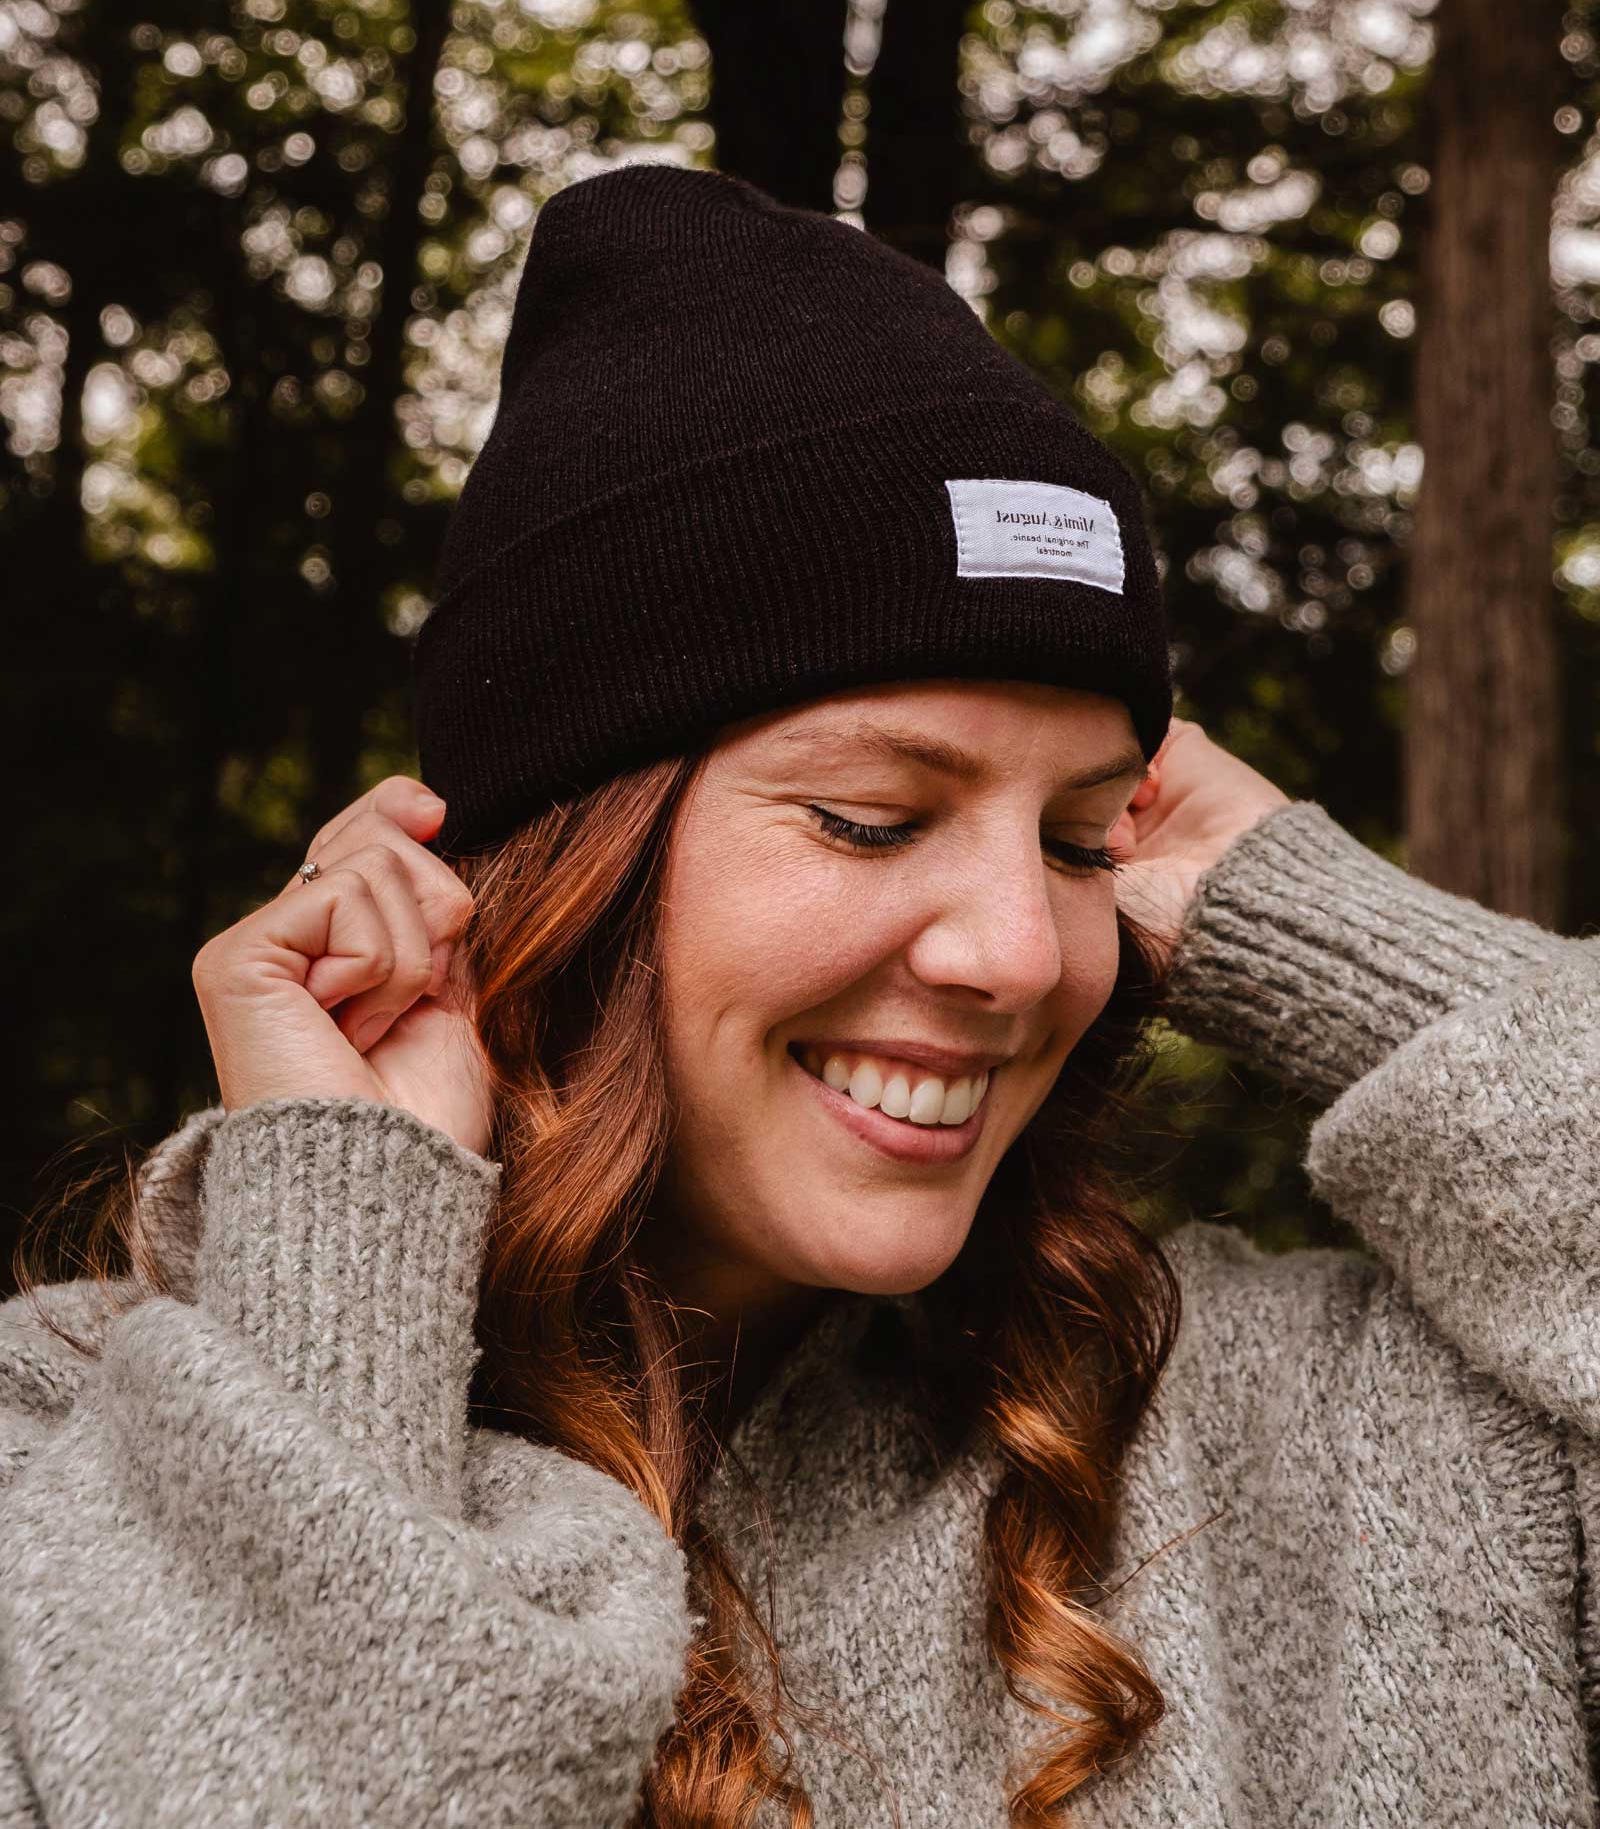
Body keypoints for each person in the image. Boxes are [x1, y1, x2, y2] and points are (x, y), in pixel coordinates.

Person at [2, 165, 1595, 1829]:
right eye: (871, 817)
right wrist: (336, 1287)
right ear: (572, 857)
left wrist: (1317, 928)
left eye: (1074, 837)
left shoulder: (1349, 1429)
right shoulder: (58, 1469)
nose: (1022, 951)